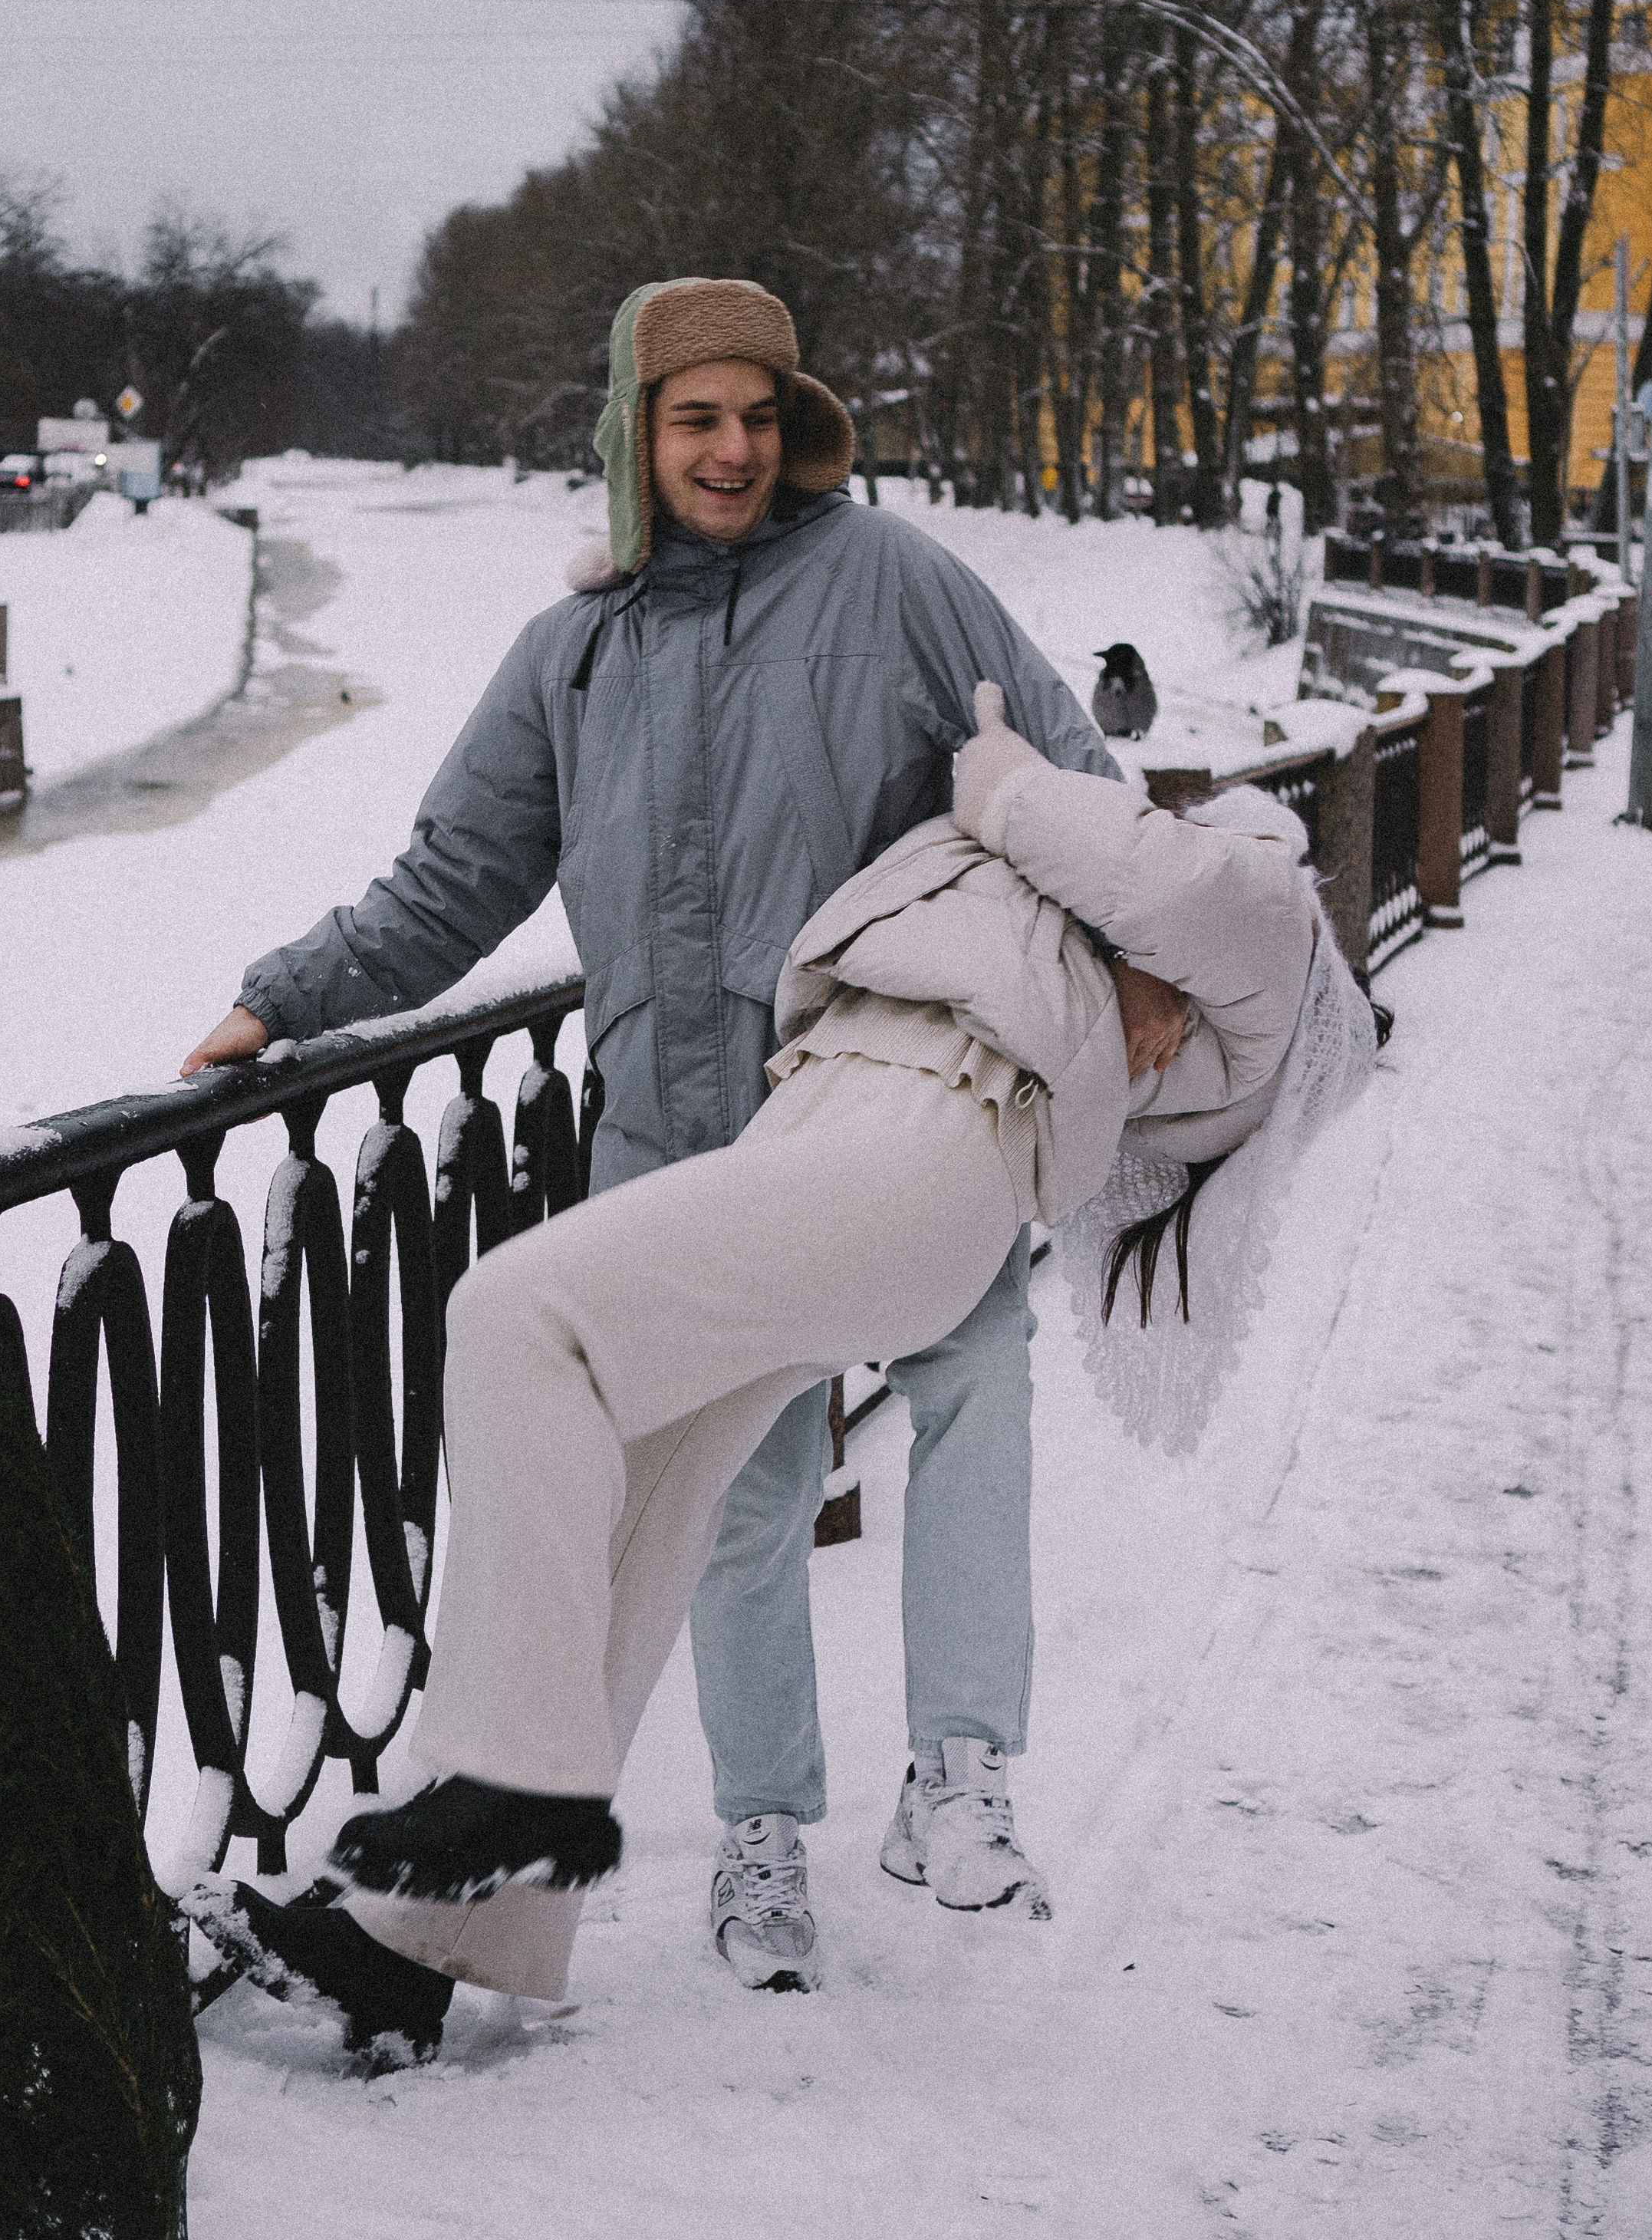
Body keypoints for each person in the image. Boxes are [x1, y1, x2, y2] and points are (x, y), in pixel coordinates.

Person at [184, 277, 1143, 2007]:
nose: (730, 450)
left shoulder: (892, 583)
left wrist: (1115, 1007)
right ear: (632, 433)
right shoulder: (574, 649)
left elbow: (1075, 793)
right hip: (665, 1139)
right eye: (693, 419)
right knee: (713, 1516)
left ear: (796, 428)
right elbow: (458, 878)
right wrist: (284, 998)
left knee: (963, 1397)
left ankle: (954, 1775)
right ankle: (698, 1854)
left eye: (757, 416)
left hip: (872, 1128)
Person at [190, 694, 1378, 2057]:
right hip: (831, 1117)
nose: (1175, 823)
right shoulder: (1115, 936)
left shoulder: (1262, 912)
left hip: (931, 1131)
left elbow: (1085, 832)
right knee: (642, 1483)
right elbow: (1091, 866)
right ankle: (414, 1950)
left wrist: (1000, 783)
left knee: (518, 1315)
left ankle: (523, 1776)